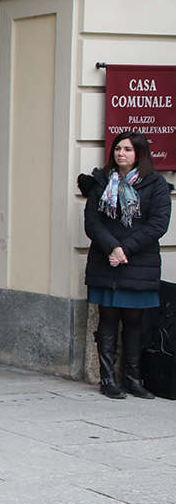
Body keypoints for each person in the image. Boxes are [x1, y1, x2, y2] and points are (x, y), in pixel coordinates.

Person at [79, 131, 172, 399]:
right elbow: (93, 223)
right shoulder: (100, 183)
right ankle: (108, 379)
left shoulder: (156, 185)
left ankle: (133, 378)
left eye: (128, 149)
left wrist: (124, 250)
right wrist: (113, 248)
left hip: (138, 261)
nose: (121, 153)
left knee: (134, 320)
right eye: (118, 148)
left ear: (140, 153)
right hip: (105, 260)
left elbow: (157, 225)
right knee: (108, 317)